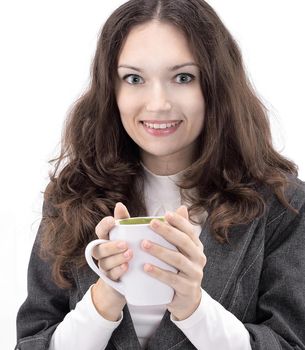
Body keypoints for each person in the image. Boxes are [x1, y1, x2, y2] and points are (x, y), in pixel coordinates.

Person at [15, 0, 305, 349]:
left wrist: (194, 308)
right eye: (134, 78)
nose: (157, 104)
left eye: (183, 77)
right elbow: (32, 343)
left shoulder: (282, 206)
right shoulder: (71, 197)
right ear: (112, 90)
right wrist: (105, 298)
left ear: (215, 86)